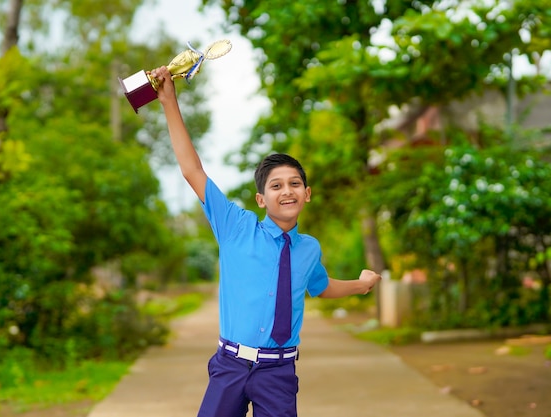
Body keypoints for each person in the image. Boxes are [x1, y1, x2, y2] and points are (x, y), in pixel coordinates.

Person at [151, 65, 382, 417]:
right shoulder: (235, 227)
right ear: (262, 199)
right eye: (275, 186)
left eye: (293, 184)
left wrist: (361, 286)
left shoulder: (309, 249)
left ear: (307, 194)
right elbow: (192, 170)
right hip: (230, 366)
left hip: (278, 372)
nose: (285, 191)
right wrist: (169, 101)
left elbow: (320, 287)